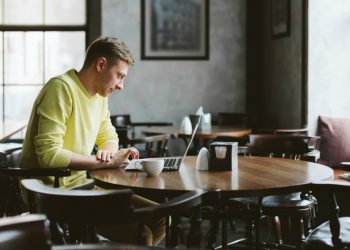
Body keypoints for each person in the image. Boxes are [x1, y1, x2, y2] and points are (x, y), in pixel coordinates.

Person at [20, 37, 165, 246]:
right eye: (119, 76)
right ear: (101, 64)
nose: (121, 86)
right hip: (53, 194)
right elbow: (49, 156)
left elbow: (109, 136)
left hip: (84, 186)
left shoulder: (99, 97)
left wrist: (109, 152)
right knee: (141, 233)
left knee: (160, 217)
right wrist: (105, 162)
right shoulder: (61, 88)